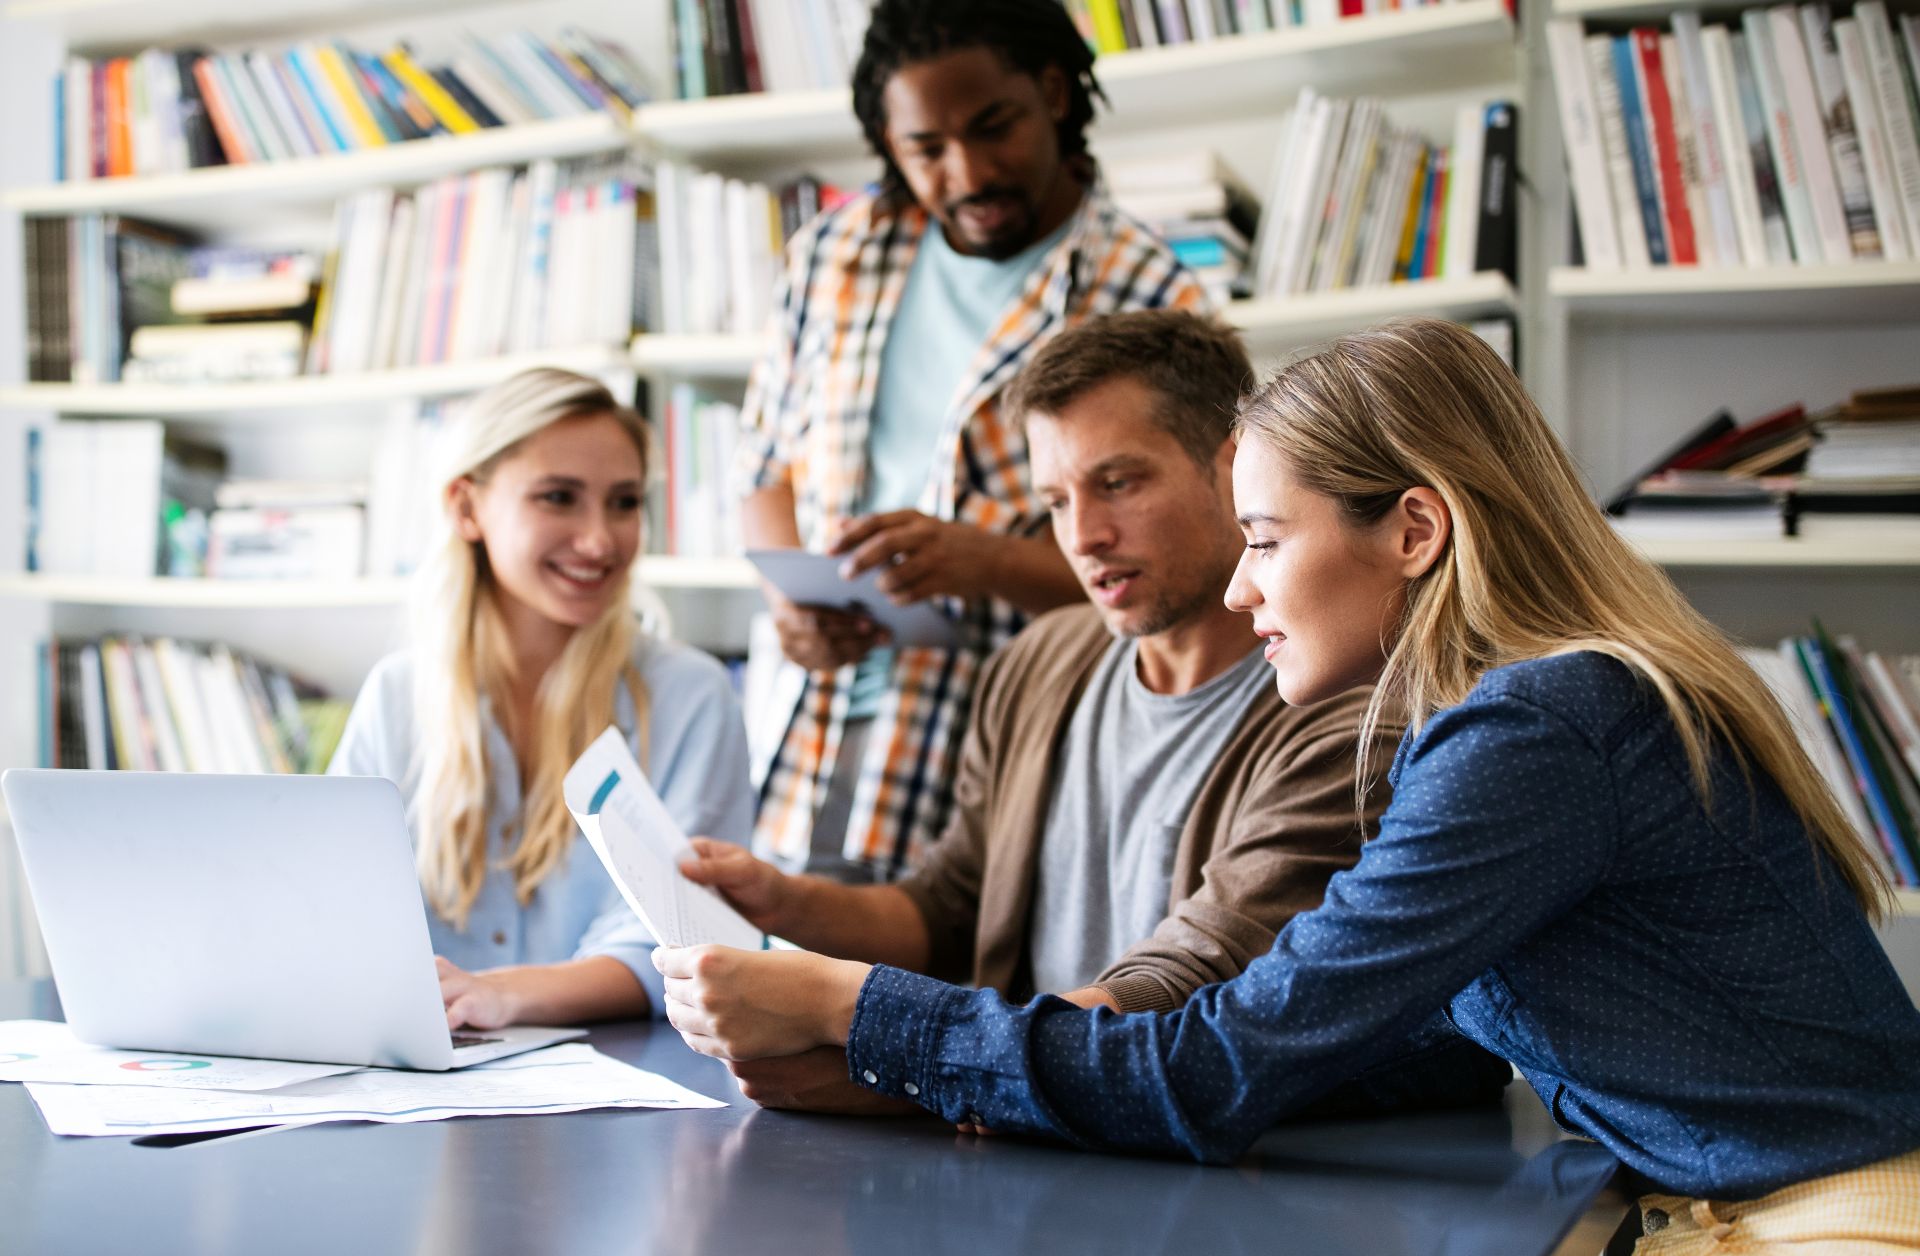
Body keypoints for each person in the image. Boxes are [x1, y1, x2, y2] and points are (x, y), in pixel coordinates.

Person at [659, 320, 1920, 1253]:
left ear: (1415, 533)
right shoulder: (1525, 717)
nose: (1239, 587)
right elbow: (1383, 1046)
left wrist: (861, 1008)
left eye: (1264, 540)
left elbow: (1217, 1067)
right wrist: (931, 1075)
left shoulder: (1539, 731)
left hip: (1827, 1228)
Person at [683, 311, 1503, 1113]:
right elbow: (946, 906)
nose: (1084, 536)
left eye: (1118, 483)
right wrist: (780, 903)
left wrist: (888, 1054)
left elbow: (1191, 995)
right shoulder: (1039, 662)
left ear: (1236, 467)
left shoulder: (1357, 712)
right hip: (1019, 1136)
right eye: (1056, 501)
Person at [740, 0, 1210, 883]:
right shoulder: (833, 255)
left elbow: (1187, 564)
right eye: (927, 150)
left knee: (950, 988)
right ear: (889, 141)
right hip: (817, 716)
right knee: (784, 976)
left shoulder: (1148, 293)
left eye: (995, 129)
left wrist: (981, 561)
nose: (968, 172)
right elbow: (763, 464)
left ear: (1053, 92)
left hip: (1014, 728)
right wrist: (786, 602)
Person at [330, 368, 752, 1031]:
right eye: (559, 497)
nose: (600, 540)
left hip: (630, 1085)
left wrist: (502, 993)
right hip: (422, 1077)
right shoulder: (397, 694)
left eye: (624, 502)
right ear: (466, 508)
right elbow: (336, 905)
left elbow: (680, 939)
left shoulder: (691, 697)